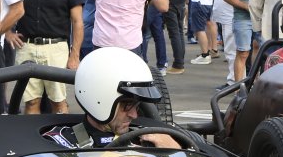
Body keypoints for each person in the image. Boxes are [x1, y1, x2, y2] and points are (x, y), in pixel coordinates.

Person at [40, 47, 179, 150]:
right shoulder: (60, 142)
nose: (134, 115)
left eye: (137, 106)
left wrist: (175, 152)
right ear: (100, 98)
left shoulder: (152, 138)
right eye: (127, 105)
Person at [11, 0, 83, 113]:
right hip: (26, 48)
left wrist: (74, 55)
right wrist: (7, 33)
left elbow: (77, 22)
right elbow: (5, 8)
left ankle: (60, 132)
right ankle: (31, 133)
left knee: (58, 102)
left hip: (56, 50)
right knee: (30, 102)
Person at [211, 0, 240, 82]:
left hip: (231, 18)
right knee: (229, 51)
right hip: (225, 18)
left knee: (232, 51)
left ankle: (233, 81)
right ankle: (233, 80)